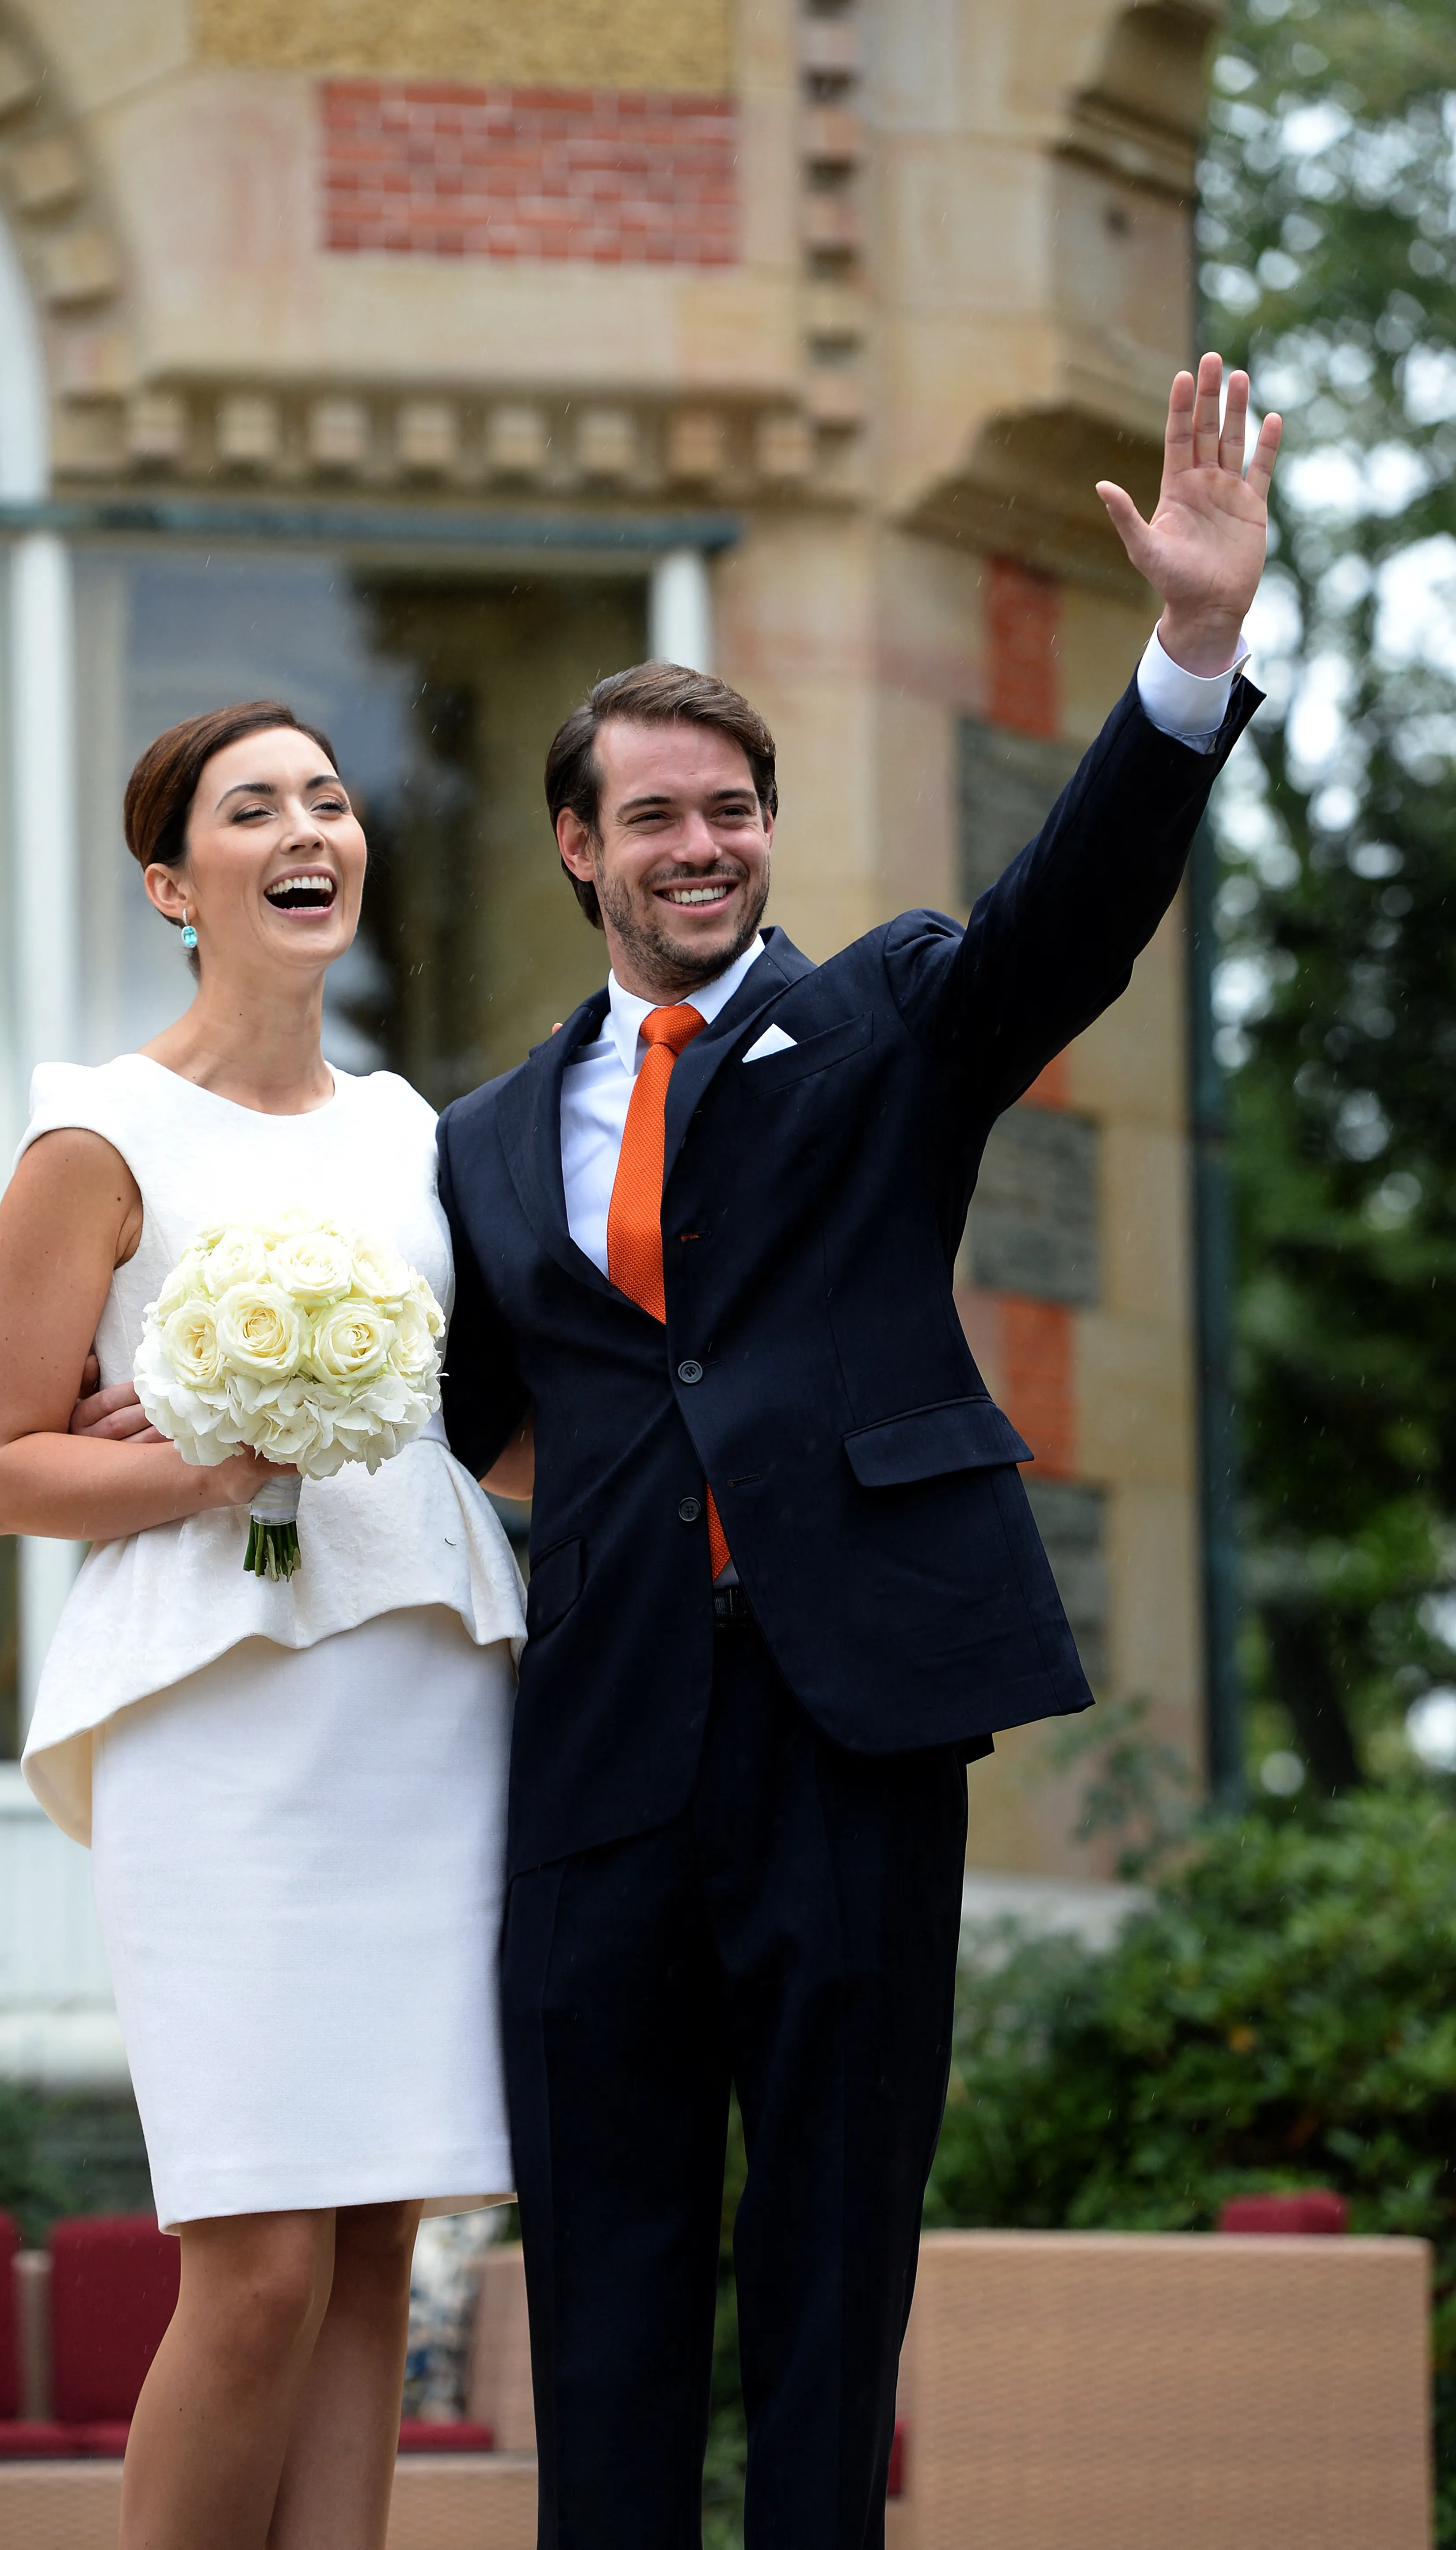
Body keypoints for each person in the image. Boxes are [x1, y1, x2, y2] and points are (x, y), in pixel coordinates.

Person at [433, 354, 1281, 2547]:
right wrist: (200, 1426)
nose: (701, 845)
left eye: (733, 808)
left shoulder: (887, 1014)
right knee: (605, 2268)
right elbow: (454, 1420)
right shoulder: (481, 1140)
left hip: (851, 1719)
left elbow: (1068, 919)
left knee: (831, 2257)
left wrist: (1190, 654)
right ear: (580, 846)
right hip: (601, 1744)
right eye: (656, 816)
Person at [0, 701, 528, 2550]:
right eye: (254, 807)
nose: (309, 830)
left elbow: (470, 1420)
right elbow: (2, 1465)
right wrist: (213, 1463)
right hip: (215, 1715)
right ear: (172, 885)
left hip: (425, 1702)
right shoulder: (97, 1129)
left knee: (373, 2241)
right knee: (263, 2256)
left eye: (331, 801)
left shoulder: (411, 1130)